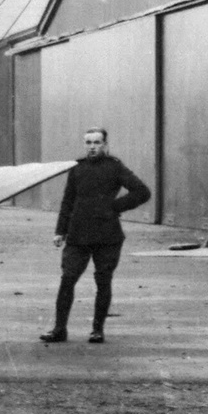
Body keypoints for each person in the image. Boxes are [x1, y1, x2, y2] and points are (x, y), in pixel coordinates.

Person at [41, 127, 151, 344]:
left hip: (107, 235)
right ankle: (59, 329)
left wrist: (115, 206)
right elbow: (67, 201)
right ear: (84, 145)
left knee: (103, 280)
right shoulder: (77, 168)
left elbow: (142, 192)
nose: (92, 147)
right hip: (78, 234)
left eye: (97, 143)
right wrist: (59, 231)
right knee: (67, 279)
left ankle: (97, 330)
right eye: (88, 143)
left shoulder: (115, 167)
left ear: (105, 145)